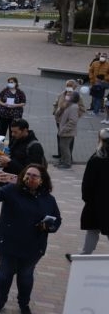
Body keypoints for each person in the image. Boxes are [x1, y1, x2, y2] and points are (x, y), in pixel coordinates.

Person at [0, 165, 61, 314]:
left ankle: (23, 305)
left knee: (26, 277)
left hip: (33, 247)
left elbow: (57, 220)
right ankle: (0, 301)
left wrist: (49, 226)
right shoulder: (11, 190)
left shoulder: (48, 199)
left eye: (35, 176)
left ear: (42, 180)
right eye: (28, 174)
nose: (30, 177)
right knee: (5, 274)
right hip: (9, 243)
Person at [68, 128, 109, 260]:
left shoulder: (97, 158)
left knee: (92, 229)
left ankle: (85, 255)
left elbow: (88, 183)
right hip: (101, 201)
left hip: (97, 202)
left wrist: (87, 199)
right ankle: (85, 255)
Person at [52, 79, 86, 158]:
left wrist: (75, 116)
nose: (68, 87)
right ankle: (60, 154)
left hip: (68, 121)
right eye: (67, 86)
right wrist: (55, 112)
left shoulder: (77, 97)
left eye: (70, 86)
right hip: (59, 120)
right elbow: (55, 104)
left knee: (68, 138)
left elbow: (82, 109)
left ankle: (68, 156)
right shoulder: (61, 94)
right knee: (59, 136)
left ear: (74, 87)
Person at [54, 91, 82, 169]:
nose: (68, 96)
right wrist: (61, 107)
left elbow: (73, 121)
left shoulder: (74, 107)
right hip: (63, 130)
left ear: (74, 98)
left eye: (70, 95)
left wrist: (63, 129)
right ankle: (62, 161)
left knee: (65, 147)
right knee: (62, 147)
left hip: (67, 132)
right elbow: (57, 114)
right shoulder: (68, 105)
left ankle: (67, 163)